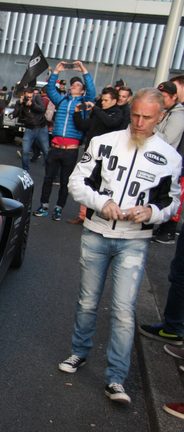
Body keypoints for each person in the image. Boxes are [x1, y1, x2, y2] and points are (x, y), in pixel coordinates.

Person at [59, 88, 182, 404]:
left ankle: (116, 378)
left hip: (134, 242)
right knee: (87, 301)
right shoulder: (103, 144)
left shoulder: (170, 158)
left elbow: (171, 202)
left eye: (147, 117)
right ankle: (78, 352)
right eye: (136, 115)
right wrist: (103, 203)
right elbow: (76, 182)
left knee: (124, 312)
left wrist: (152, 212)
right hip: (96, 234)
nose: (140, 122)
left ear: (161, 117)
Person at [34, 60, 95, 221]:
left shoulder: (84, 101)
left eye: (77, 84)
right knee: (48, 178)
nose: (73, 85)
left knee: (64, 181)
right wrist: (56, 72)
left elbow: (92, 90)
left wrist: (84, 70)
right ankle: (44, 205)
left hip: (70, 149)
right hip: (55, 147)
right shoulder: (61, 100)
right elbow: (50, 89)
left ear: (82, 90)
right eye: (72, 84)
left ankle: (59, 208)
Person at [66, 87, 123, 225]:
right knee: (86, 182)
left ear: (114, 101)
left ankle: (98, 213)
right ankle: (83, 215)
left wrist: (96, 109)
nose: (102, 103)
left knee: (100, 184)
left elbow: (110, 123)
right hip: (91, 153)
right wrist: (77, 114)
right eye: (101, 100)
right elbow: (85, 126)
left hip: (108, 157)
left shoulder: (117, 114)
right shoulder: (99, 113)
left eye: (105, 100)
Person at [152, 81, 184, 244]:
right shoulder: (165, 112)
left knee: (168, 195)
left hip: (168, 164)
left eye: (163, 96)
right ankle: (160, 227)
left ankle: (168, 231)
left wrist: (152, 126)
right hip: (159, 161)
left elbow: (167, 140)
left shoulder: (178, 115)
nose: (161, 99)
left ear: (174, 97)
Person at [12, 88, 48, 172]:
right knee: (25, 151)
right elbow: (15, 115)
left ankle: (49, 171)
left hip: (41, 128)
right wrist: (20, 104)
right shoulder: (20, 102)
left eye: (31, 97)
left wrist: (32, 104)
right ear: (24, 95)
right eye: (28, 97)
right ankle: (25, 170)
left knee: (46, 150)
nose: (29, 99)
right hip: (29, 128)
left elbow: (42, 109)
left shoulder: (37, 98)